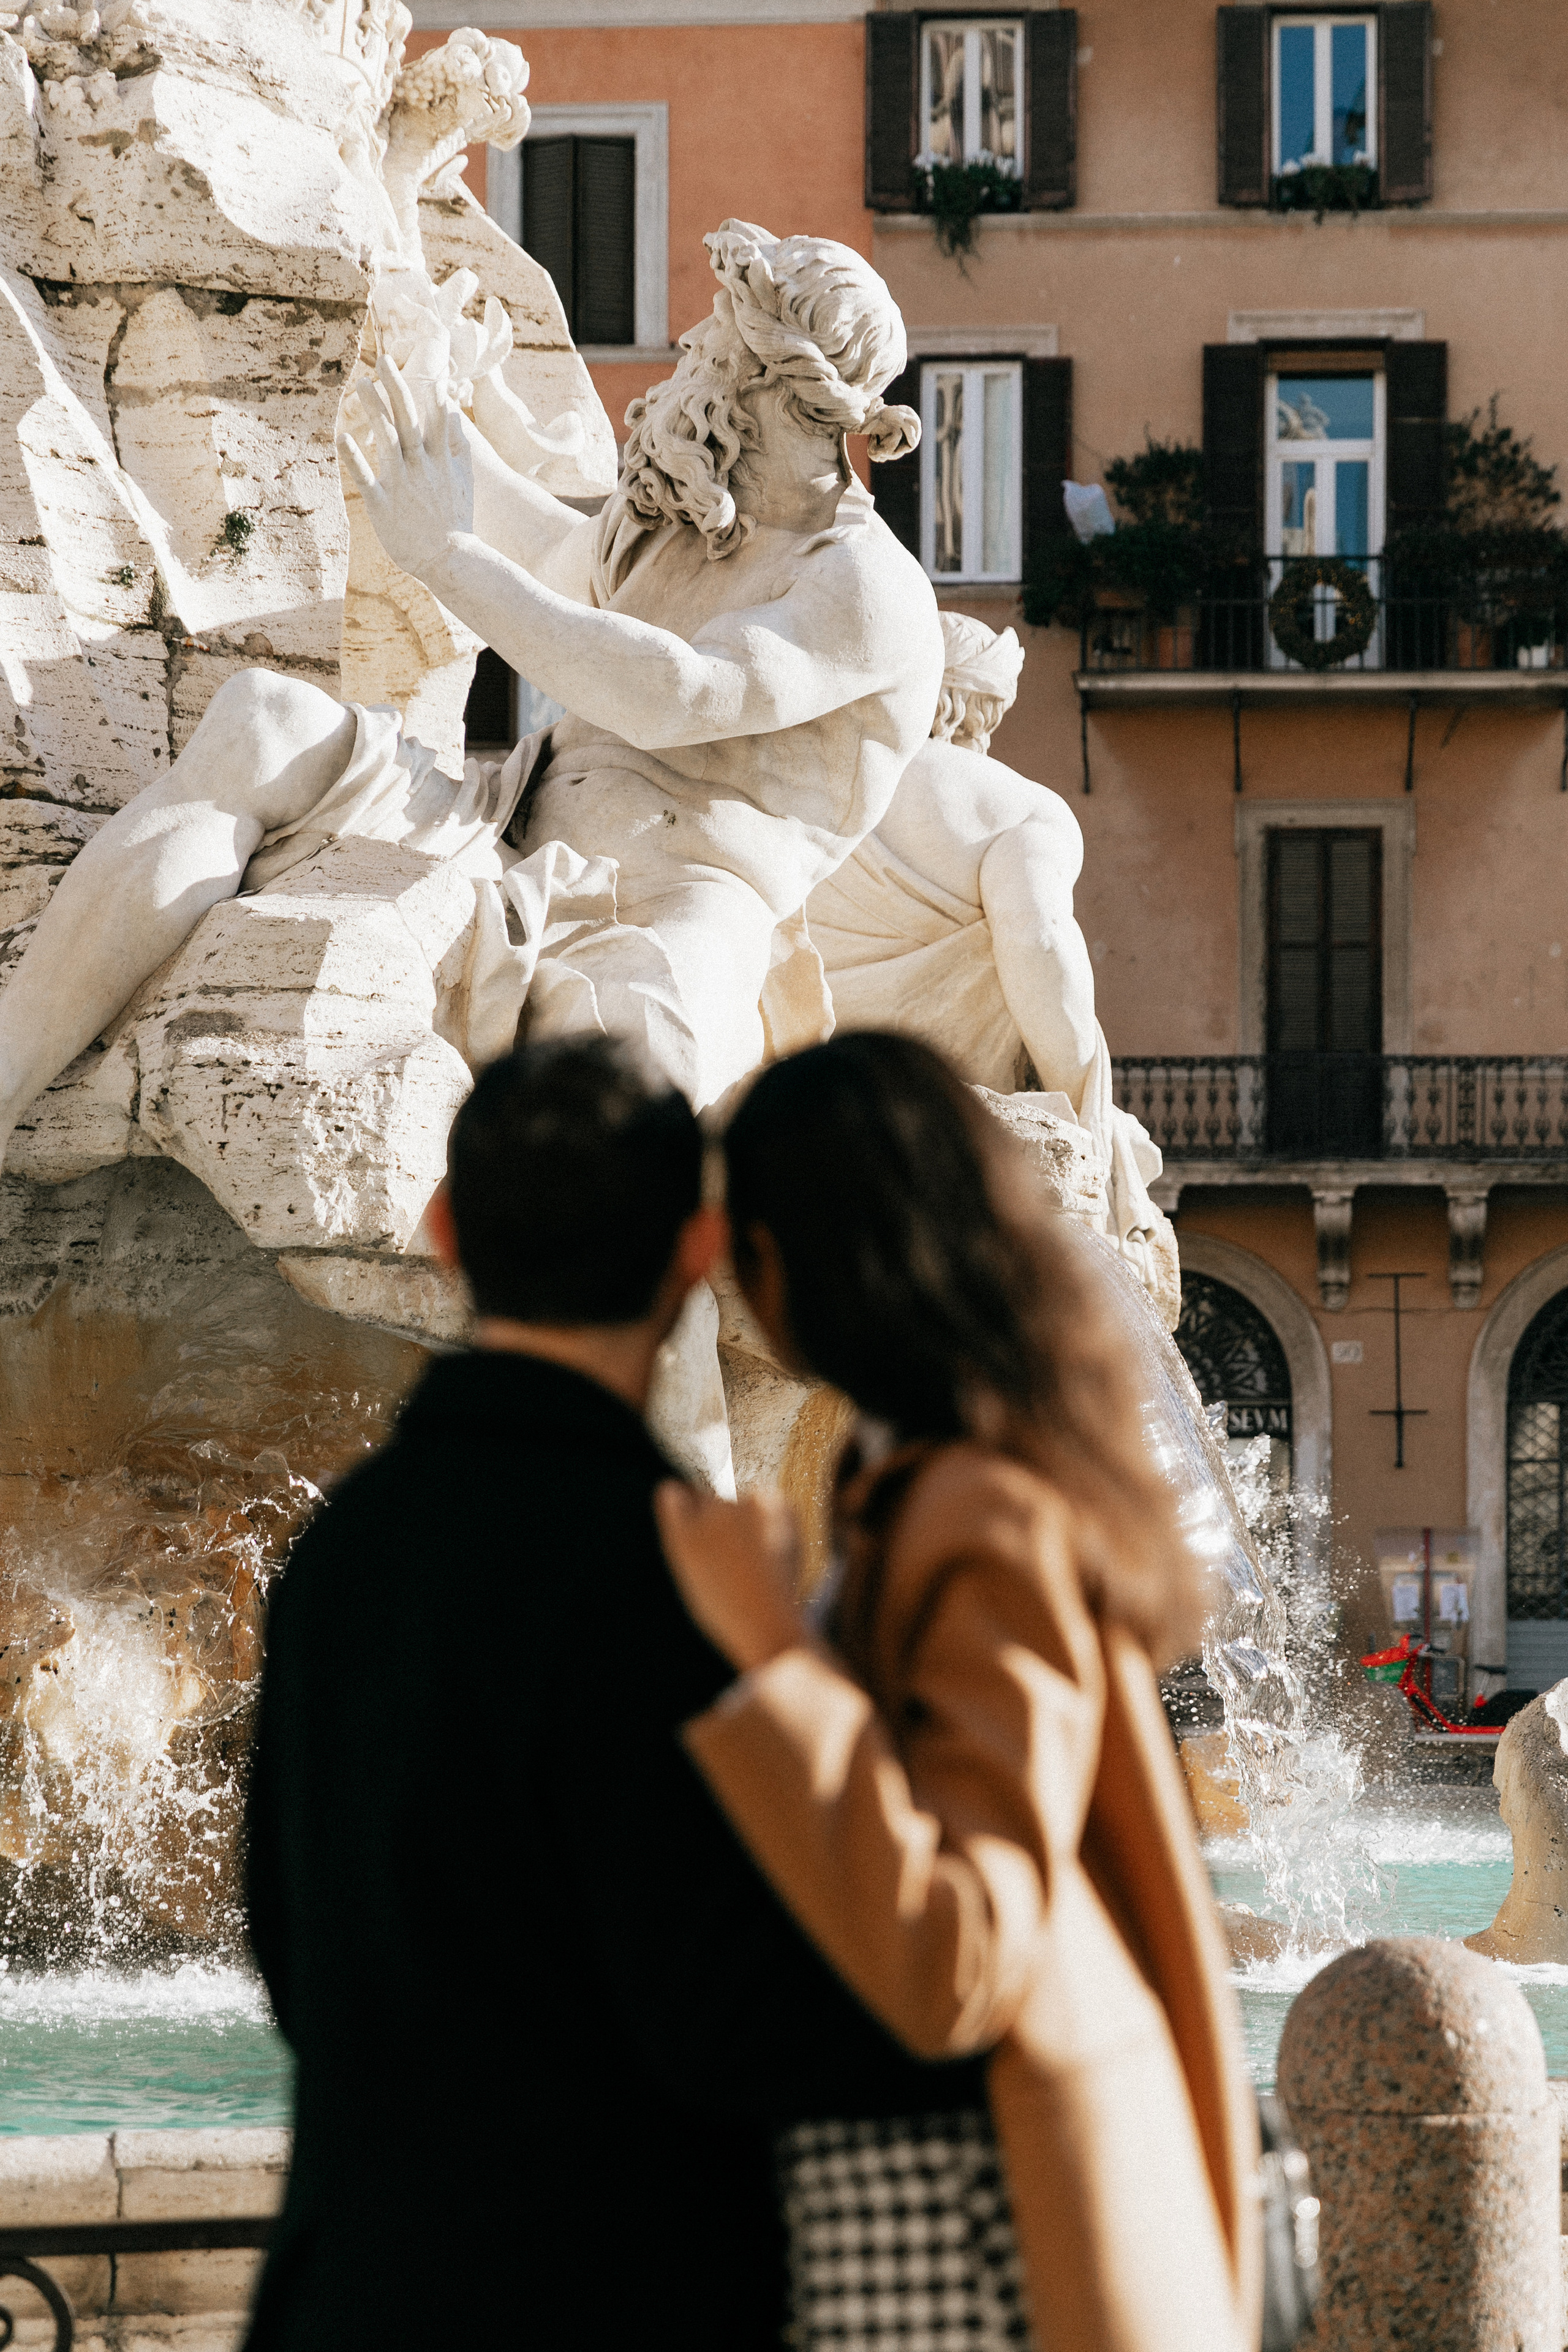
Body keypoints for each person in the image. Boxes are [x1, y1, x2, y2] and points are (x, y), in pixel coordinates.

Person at [242, 1036, 986, 2352]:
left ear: (444, 1229)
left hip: (347, 2299)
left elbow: (291, 1943)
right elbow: (732, 2015)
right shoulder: (684, 1575)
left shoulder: (334, 1558)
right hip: (623, 2297)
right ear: (698, 1249)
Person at [0, 221, 939, 1161]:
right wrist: (420, 397)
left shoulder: (862, 586)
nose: (691, 346)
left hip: (684, 905)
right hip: (503, 825)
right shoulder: (688, 521)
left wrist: (446, 558)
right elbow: (551, 557)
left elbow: (679, 694)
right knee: (265, 721)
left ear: (773, 379)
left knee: (639, 1059)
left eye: (719, 331)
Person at [655, 1032, 1260, 2352]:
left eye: (740, 1237)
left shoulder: (977, 1517)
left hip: (976, 2250)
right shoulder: (927, 1480)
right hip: (939, 2215)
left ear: (805, 1250)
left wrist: (769, 1654)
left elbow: (959, 1954)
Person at [805, 611, 1167, 1269]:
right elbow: (1041, 951)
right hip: (958, 1125)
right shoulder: (1019, 808)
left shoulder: (803, 796)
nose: (990, 737)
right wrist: (1087, 1104)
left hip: (813, 1114)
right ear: (966, 707)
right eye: (991, 716)